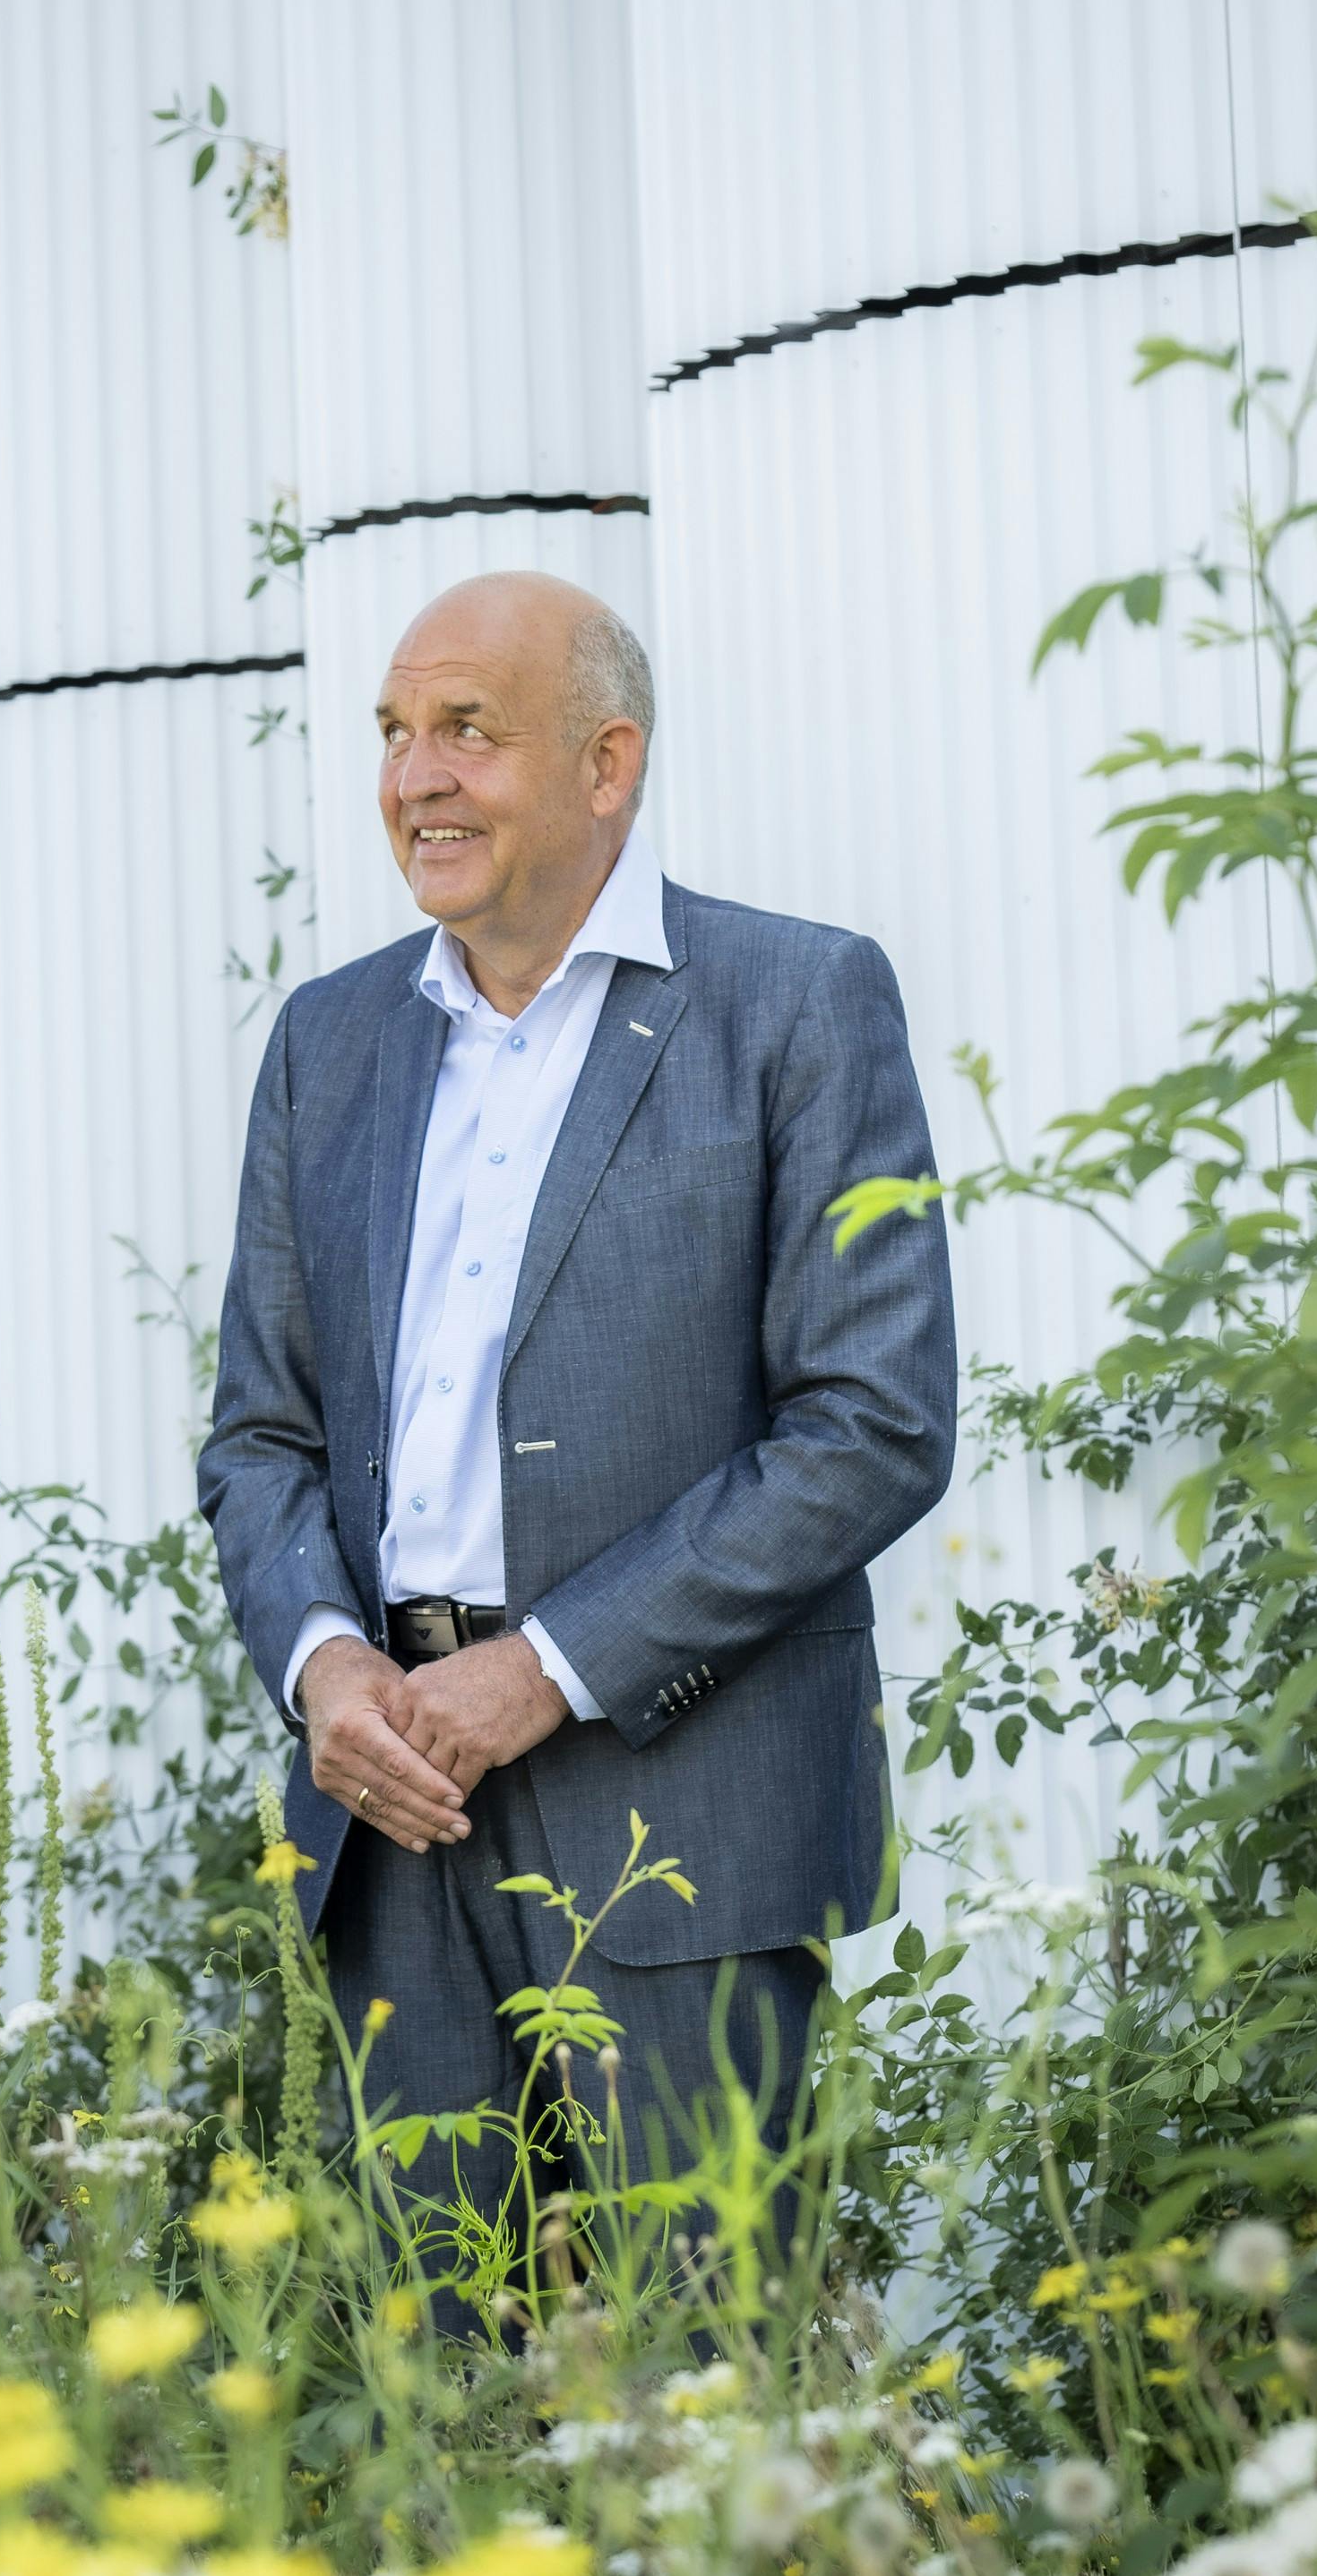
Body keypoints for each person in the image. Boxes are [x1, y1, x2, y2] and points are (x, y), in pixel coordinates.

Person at [197, 570, 953, 2319]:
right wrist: (325, 1672)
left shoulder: (795, 1005)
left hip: (680, 1814)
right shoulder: (330, 1043)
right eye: (395, 732)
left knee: (704, 2400)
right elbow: (261, 1433)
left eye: (468, 728)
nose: (415, 777)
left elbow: (874, 1420)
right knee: (445, 2394)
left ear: (608, 763)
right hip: (391, 1815)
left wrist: (547, 1664)